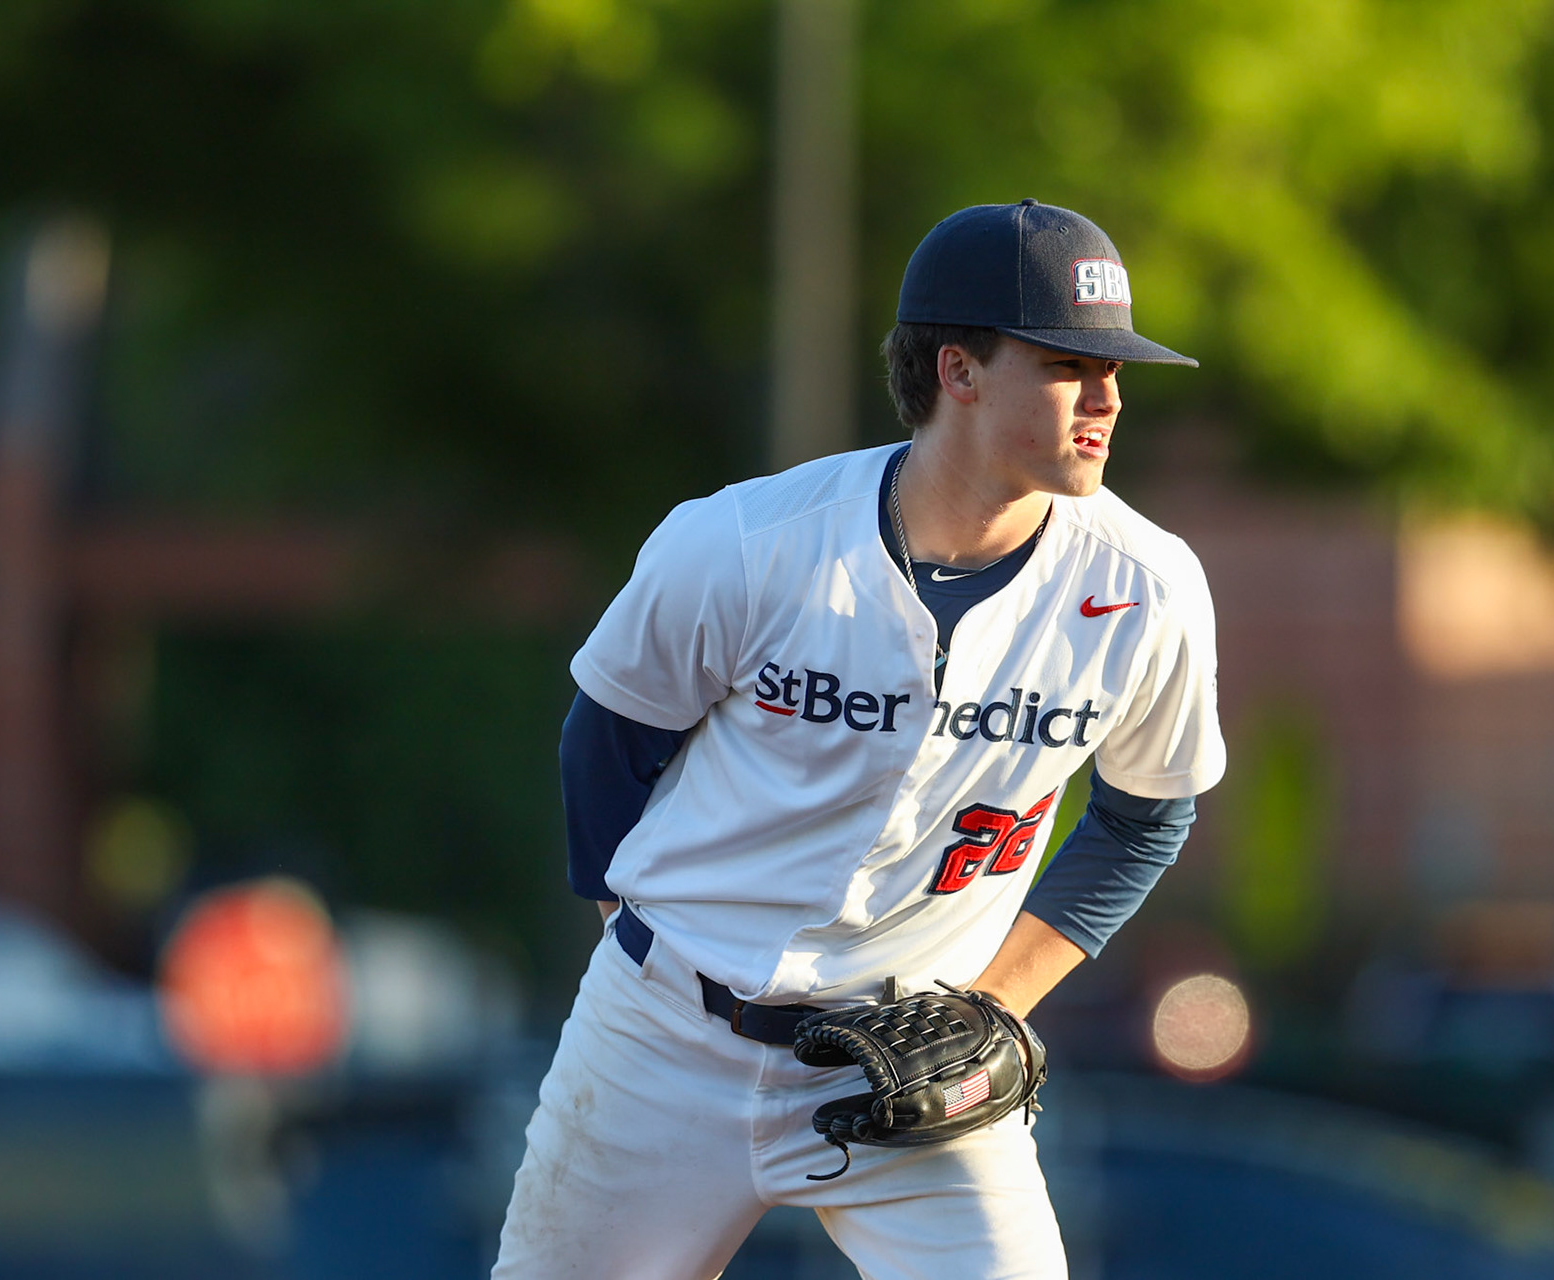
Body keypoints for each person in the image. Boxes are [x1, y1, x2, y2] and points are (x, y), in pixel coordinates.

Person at [493, 199, 1226, 1279]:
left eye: (1116, 367)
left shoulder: (1147, 586)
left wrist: (997, 1006)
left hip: (911, 1060)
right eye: (1068, 363)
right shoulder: (746, 545)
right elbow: (604, 747)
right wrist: (656, 962)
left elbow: (1147, 815)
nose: (1107, 397)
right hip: (663, 1045)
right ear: (958, 370)